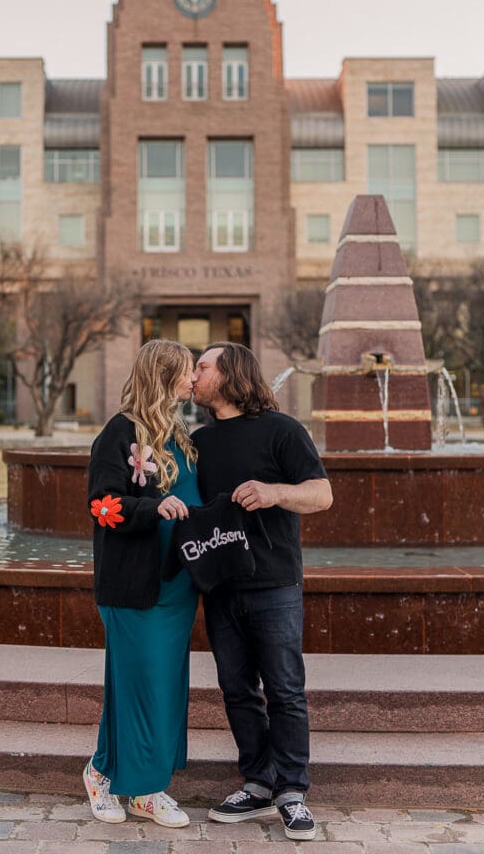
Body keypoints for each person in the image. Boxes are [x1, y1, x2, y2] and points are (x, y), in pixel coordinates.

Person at [191, 342, 332, 842]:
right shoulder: (199, 442)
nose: (194, 374)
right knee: (237, 691)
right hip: (221, 587)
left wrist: (275, 493)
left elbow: (322, 494)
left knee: (286, 691)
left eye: (203, 366)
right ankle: (256, 782)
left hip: (275, 584)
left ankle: (292, 793)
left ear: (230, 374)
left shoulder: (283, 430)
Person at [83, 339, 199, 828]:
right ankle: (106, 773)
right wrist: (154, 507)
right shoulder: (120, 432)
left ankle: (144, 789)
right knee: (136, 687)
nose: (194, 381)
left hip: (177, 587)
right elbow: (101, 505)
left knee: (164, 687)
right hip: (134, 587)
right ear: (165, 375)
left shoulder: (181, 433)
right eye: (188, 372)